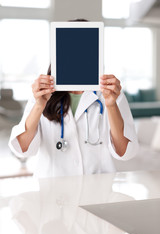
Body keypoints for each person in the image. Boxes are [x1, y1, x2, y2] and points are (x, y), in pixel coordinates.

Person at [8, 19, 139, 178]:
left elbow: (124, 152)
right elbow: (22, 149)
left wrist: (111, 105)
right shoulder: (42, 93)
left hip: (97, 192)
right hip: (53, 193)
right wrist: (38, 106)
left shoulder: (110, 94)